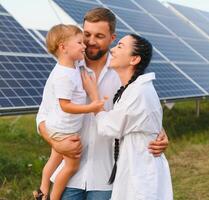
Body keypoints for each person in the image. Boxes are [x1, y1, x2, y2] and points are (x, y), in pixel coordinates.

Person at [36, 7, 169, 200]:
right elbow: (43, 116)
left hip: (106, 179)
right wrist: (56, 142)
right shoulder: (64, 72)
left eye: (99, 36)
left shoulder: (123, 75)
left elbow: (138, 112)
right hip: (69, 179)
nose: (90, 41)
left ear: (112, 38)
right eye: (87, 34)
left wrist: (159, 134)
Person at [82, 33, 173, 199]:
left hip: (140, 169)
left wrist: (94, 97)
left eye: (120, 46)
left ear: (134, 59)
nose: (113, 50)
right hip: (134, 165)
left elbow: (110, 127)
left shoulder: (139, 91)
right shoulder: (132, 89)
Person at [33, 24, 104, 200]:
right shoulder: (63, 75)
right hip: (64, 130)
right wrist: (91, 107)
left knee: (55, 158)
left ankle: (42, 188)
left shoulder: (73, 66)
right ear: (63, 47)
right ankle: (53, 197)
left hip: (60, 126)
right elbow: (65, 105)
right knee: (71, 166)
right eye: (80, 42)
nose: (85, 46)